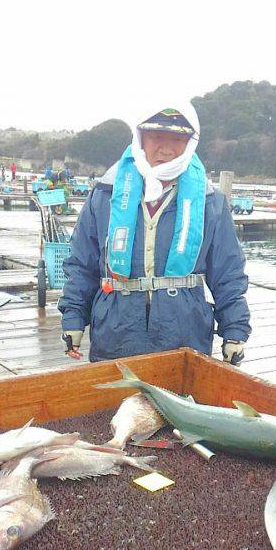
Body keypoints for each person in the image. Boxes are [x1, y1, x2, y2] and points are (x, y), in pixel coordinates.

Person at [59, 101, 251, 365]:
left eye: (177, 139)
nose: (166, 149)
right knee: (116, 393)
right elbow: (82, 263)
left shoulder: (210, 202)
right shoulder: (104, 195)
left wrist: (235, 330)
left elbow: (228, 272)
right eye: (156, 137)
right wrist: (73, 317)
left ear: (190, 143)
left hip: (184, 332)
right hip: (115, 332)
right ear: (140, 138)